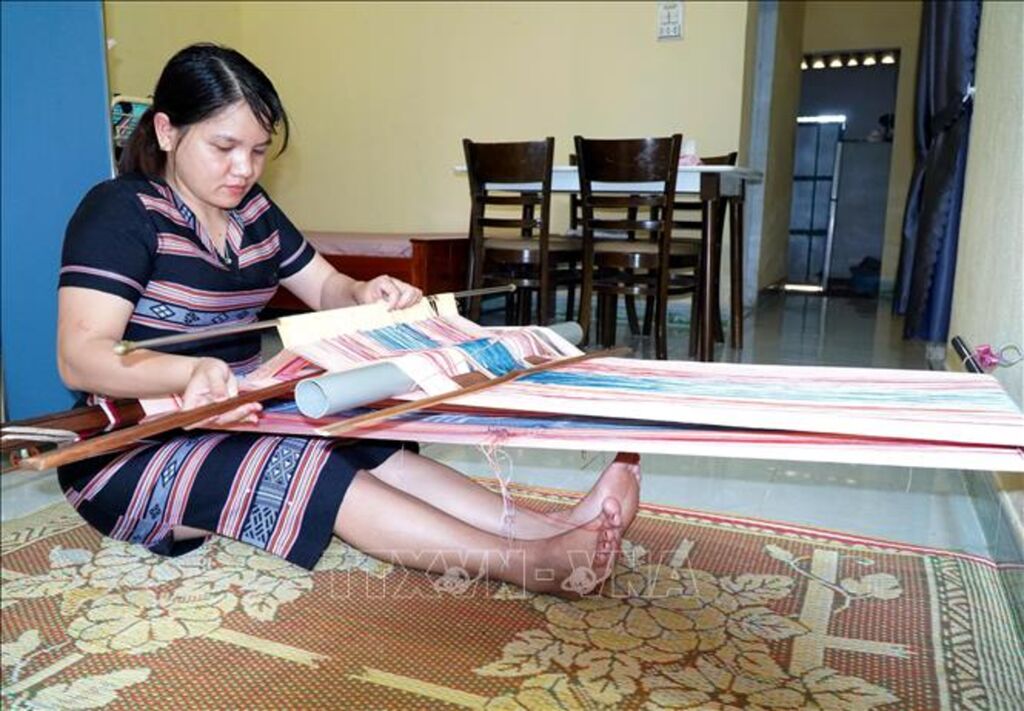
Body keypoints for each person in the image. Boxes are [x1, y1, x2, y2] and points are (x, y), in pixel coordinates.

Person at [56, 44, 640, 596]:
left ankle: (549, 527)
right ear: (166, 131)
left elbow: (325, 287)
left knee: (357, 434)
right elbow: (81, 356)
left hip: (235, 415)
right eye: (224, 147)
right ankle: (530, 564)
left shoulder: (253, 212)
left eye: (258, 151)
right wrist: (186, 374)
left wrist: (365, 291)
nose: (244, 169)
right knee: (305, 461)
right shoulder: (122, 211)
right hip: (134, 443)